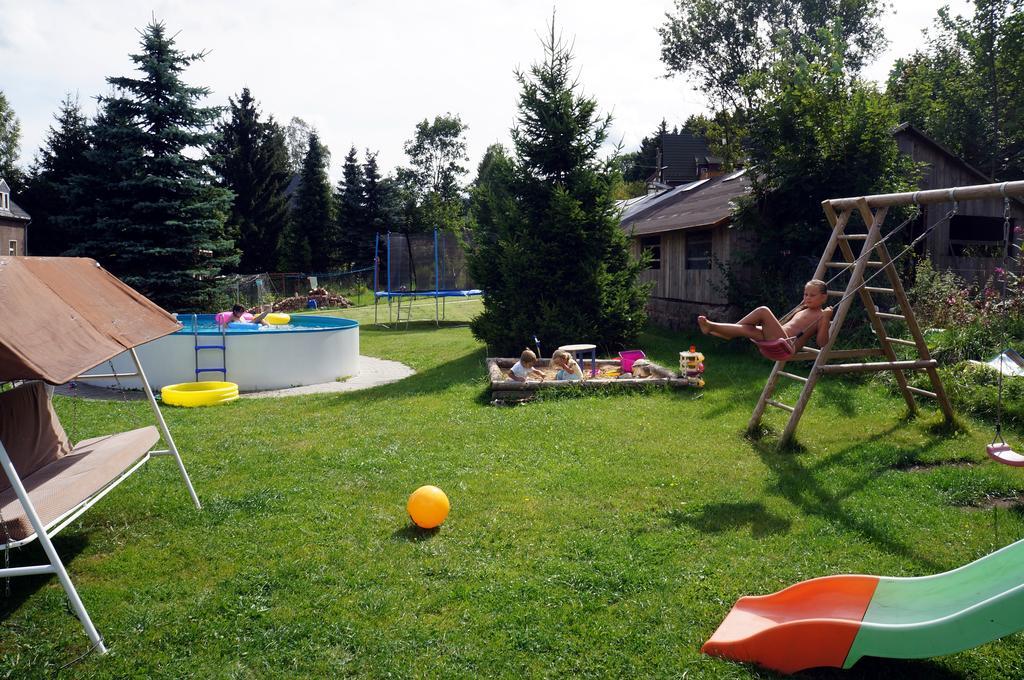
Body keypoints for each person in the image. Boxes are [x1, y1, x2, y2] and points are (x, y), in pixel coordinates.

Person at [697, 280, 834, 359]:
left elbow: (822, 343)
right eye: (805, 294)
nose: (807, 298)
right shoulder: (803, 309)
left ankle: (729, 333)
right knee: (748, 329)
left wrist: (827, 318)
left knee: (763, 311)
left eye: (812, 295)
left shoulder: (822, 316)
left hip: (786, 344)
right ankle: (715, 328)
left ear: (823, 298)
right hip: (776, 338)